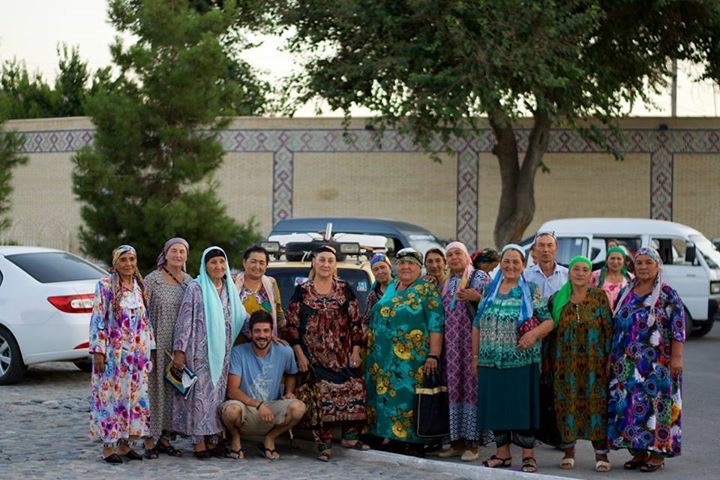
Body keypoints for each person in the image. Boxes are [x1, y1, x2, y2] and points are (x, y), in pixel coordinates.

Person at [471, 244, 553, 473]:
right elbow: (477, 324)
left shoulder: (530, 290)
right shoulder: (489, 290)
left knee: (521, 408)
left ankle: (528, 456)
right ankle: (502, 454)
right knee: (496, 407)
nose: (510, 266)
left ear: (524, 266)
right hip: (489, 361)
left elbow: (549, 321)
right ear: (500, 264)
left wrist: (533, 334)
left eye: (516, 262)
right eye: (506, 261)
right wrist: (475, 357)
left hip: (521, 362)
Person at [284, 244, 368, 462]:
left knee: (356, 386)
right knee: (319, 392)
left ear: (335, 265)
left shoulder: (344, 288)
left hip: (342, 355)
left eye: (330, 260)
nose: (326, 264)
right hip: (312, 358)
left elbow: (355, 322)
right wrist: (299, 354)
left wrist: (356, 351)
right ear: (314, 262)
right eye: (322, 260)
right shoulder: (302, 290)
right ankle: (324, 443)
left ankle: (350, 437)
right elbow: (292, 325)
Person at [608, 247, 685, 472]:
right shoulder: (628, 291)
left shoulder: (667, 293)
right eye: (639, 263)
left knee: (657, 406)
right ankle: (639, 451)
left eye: (648, 263)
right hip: (626, 364)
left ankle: (657, 454)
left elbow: (678, 328)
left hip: (657, 364)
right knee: (631, 406)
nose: (643, 267)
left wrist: (677, 358)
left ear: (657, 266)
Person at [365, 247, 444, 457]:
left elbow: (436, 323)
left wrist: (433, 354)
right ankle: (389, 436)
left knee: (408, 397)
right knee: (385, 396)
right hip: (382, 357)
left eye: (411, 264)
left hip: (413, 359)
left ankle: (412, 440)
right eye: (401, 263)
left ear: (419, 268)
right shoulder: (391, 285)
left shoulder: (427, 290)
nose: (405, 267)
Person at [172, 246, 247, 459]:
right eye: (213, 262)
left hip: (222, 352)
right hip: (198, 350)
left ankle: (214, 439)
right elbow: (185, 320)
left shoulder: (229, 287)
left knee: (217, 396)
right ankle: (198, 443)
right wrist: (179, 350)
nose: (218, 266)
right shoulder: (196, 288)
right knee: (199, 396)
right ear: (205, 265)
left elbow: (241, 316)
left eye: (222, 262)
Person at [89, 245, 155, 464]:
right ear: (116, 262)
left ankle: (127, 445)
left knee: (134, 398)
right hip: (114, 353)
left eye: (132, 259)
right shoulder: (105, 285)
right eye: (124, 259)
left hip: (137, 355)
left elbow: (145, 320)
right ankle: (109, 447)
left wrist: (150, 349)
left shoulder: (139, 286)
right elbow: (98, 317)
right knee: (112, 397)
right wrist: (98, 350)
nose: (129, 264)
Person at [548, 256, 613, 472]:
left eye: (585, 269)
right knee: (567, 405)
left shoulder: (599, 297)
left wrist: (609, 359)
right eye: (576, 268)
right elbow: (551, 332)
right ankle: (568, 451)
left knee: (597, 406)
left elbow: (609, 330)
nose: (580, 273)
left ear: (590, 274)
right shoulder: (558, 298)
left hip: (595, 363)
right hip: (564, 364)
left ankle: (601, 454)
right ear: (569, 272)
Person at [220, 311, 306, 460]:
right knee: (230, 411)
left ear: (272, 332)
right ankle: (235, 438)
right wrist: (258, 405)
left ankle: (270, 438)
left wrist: (289, 391)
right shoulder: (238, 352)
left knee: (299, 408)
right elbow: (232, 391)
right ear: (250, 332)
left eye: (266, 331)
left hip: (272, 407)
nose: (262, 335)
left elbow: (292, 373)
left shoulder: (285, 351)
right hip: (245, 407)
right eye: (257, 331)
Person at [437, 242, 491, 461]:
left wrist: (478, 298)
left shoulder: (479, 278)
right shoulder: (447, 282)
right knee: (453, 392)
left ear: (466, 256)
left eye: (457, 253)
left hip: (471, 346)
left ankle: (472, 444)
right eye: (449, 255)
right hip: (451, 349)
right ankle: (456, 442)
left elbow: (493, 304)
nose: (453, 258)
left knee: (471, 391)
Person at [143, 237, 191, 458]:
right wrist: (147, 346)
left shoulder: (190, 282)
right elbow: (142, 313)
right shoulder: (152, 280)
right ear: (166, 253)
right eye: (174, 251)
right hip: (156, 343)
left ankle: (165, 437)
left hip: (179, 345)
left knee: (173, 392)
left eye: (182, 252)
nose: (178, 255)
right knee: (154, 391)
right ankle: (149, 439)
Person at [234, 245, 285, 341]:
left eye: (261, 263)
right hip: (236, 344)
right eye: (253, 262)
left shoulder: (271, 283)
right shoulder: (232, 283)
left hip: (264, 345)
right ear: (244, 263)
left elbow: (279, 313)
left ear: (266, 266)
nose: (257, 266)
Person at [524, 232, 568, 298]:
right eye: (541, 245)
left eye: (550, 245)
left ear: (556, 249)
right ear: (535, 249)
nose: (545, 250)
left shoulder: (567, 275)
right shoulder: (526, 275)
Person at [362, 252, 394, 335]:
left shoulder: (401, 288)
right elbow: (366, 320)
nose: (380, 272)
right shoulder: (373, 294)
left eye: (383, 267)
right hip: (378, 338)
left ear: (390, 267)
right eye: (375, 269)